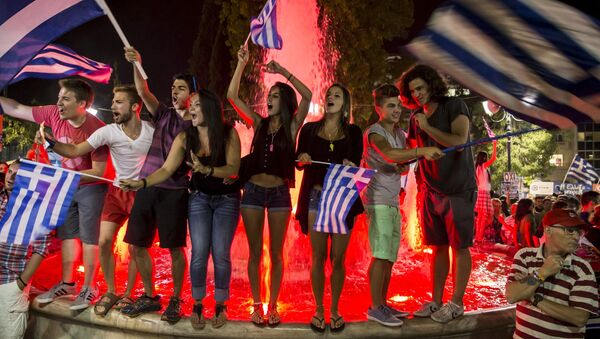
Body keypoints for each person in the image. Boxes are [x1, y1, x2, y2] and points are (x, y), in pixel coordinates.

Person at [122, 89, 241, 329]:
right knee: (198, 254)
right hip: (198, 198)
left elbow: (232, 169)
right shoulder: (186, 136)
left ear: (208, 108)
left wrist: (207, 170)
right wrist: (142, 182)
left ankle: (220, 304)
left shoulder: (229, 133)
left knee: (220, 254)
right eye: (191, 105)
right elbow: (166, 170)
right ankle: (198, 303)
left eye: (196, 105)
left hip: (227, 199)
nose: (191, 109)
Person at [43, 84, 153, 317]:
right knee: (103, 241)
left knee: (135, 247)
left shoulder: (151, 131)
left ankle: (129, 293)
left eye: (118, 102)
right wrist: (51, 142)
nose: (112, 105)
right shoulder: (108, 131)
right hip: (116, 192)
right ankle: (112, 291)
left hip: (141, 193)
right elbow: (75, 151)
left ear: (135, 107)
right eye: (112, 101)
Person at [0, 79, 108, 310]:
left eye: (65, 99)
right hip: (67, 185)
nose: (58, 103)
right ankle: (68, 283)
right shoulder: (52, 113)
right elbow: (16, 108)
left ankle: (89, 287)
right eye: (59, 97)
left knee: (90, 237)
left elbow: (99, 172)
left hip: (91, 185)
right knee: (68, 235)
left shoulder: (97, 129)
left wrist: (65, 178)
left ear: (82, 104)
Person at [227, 45, 312, 326]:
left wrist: (282, 72)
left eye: (275, 96)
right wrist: (242, 63)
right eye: (270, 95)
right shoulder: (259, 123)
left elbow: (309, 95)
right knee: (254, 252)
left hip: (278, 195)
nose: (270, 98)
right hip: (252, 190)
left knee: (276, 253)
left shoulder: (292, 126)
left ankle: (273, 306)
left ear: (284, 102)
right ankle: (255, 305)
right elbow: (231, 97)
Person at [398, 64, 476, 323]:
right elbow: (412, 150)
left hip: (458, 188)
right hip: (430, 190)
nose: (417, 94)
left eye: (420, 87)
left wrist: (428, 127)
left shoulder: (455, 106)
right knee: (437, 248)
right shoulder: (414, 117)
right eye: (412, 91)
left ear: (432, 84)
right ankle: (436, 300)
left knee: (460, 247)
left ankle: (457, 302)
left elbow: (459, 141)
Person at [121, 47, 193, 323]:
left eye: (182, 88)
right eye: (173, 87)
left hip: (174, 192)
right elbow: (142, 90)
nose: (175, 92)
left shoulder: (197, 125)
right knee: (137, 244)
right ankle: (150, 296)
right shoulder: (163, 114)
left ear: (193, 94)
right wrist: (138, 64)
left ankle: (176, 298)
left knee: (175, 248)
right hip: (146, 187)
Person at [362, 84, 443, 327]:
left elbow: (402, 160)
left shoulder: (398, 134)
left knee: (389, 257)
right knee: (380, 255)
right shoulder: (374, 132)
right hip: (376, 201)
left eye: (398, 105)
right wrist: (420, 151)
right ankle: (375, 307)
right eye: (391, 106)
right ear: (379, 109)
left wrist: (404, 165)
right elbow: (389, 154)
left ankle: (382, 304)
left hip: (391, 201)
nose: (397, 110)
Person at [296, 83, 362, 332]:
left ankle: (334, 309)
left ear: (345, 103)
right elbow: (299, 161)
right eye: (328, 95)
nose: (330, 98)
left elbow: (357, 160)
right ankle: (319, 310)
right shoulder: (310, 130)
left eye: (337, 95)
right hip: (316, 198)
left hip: (342, 200)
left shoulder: (354, 131)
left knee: (338, 258)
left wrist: (351, 163)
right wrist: (302, 160)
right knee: (318, 256)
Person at [505, 209, 598, 338]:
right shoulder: (525, 256)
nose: (576, 236)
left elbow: (579, 318)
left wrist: (532, 297)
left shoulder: (581, 268)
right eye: (569, 230)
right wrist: (542, 272)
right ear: (548, 230)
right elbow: (512, 295)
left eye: (578, 231)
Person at [0, 160, 53, 339]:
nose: (11, 176)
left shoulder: (36, 209)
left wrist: (21, 283)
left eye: (18, 174)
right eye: (10, 172)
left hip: (9, 281)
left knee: (9, 335)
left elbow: (41, 248)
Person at [474, 141, 497, 244]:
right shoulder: (483, 166)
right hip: (484, 193)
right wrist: (495, 145)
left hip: (481, 192)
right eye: (485, 157)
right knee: (484, 217)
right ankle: (478, 238)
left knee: (481, 217)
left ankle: (478, 237)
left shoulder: (477, 168)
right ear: (483, 158)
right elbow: (494, 158)